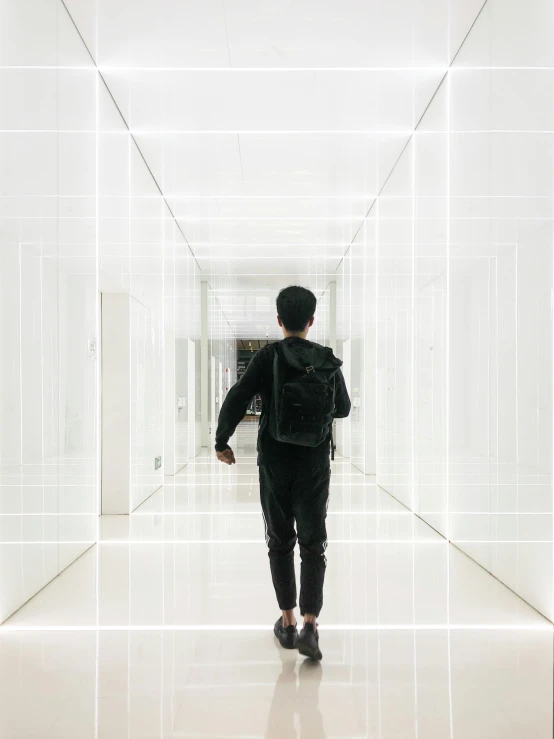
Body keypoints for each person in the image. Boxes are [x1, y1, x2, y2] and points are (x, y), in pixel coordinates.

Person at [215, 286, 351, 660]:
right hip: (314, 463)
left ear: (279, 320)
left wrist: (221, 439)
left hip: (274, 462)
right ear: (311, 320)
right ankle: (311, 624)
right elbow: (343, 408)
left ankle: (287, 622)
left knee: (279, 540)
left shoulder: (268, 357)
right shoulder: (326, 360)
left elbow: (239, 395)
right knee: (312, 542)